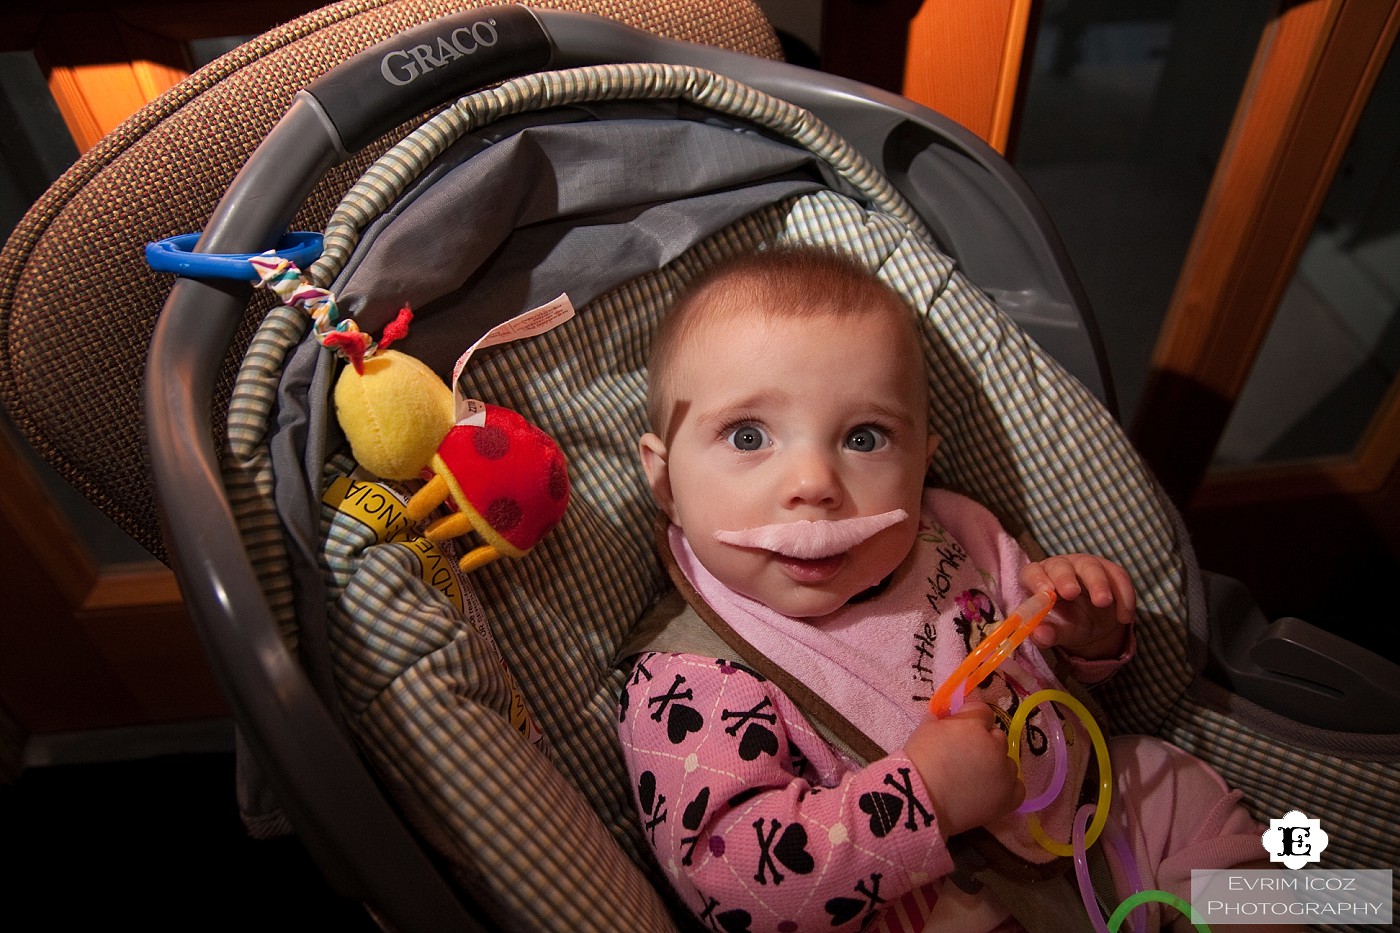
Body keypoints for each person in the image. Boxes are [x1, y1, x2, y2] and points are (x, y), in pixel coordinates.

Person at [616, 245, 1285, 933]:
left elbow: (1047, 673)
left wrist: (1091, 635)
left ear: (922, 460)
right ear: (664, 479)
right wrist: (925, 795)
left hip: (1089, 810)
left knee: (1178, 785)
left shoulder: (952, 531)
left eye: (865, 436)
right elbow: (729, 881)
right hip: (934, 905)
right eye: (749, 434)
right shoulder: (689, 678)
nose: (814, 481)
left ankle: (1337, 904)